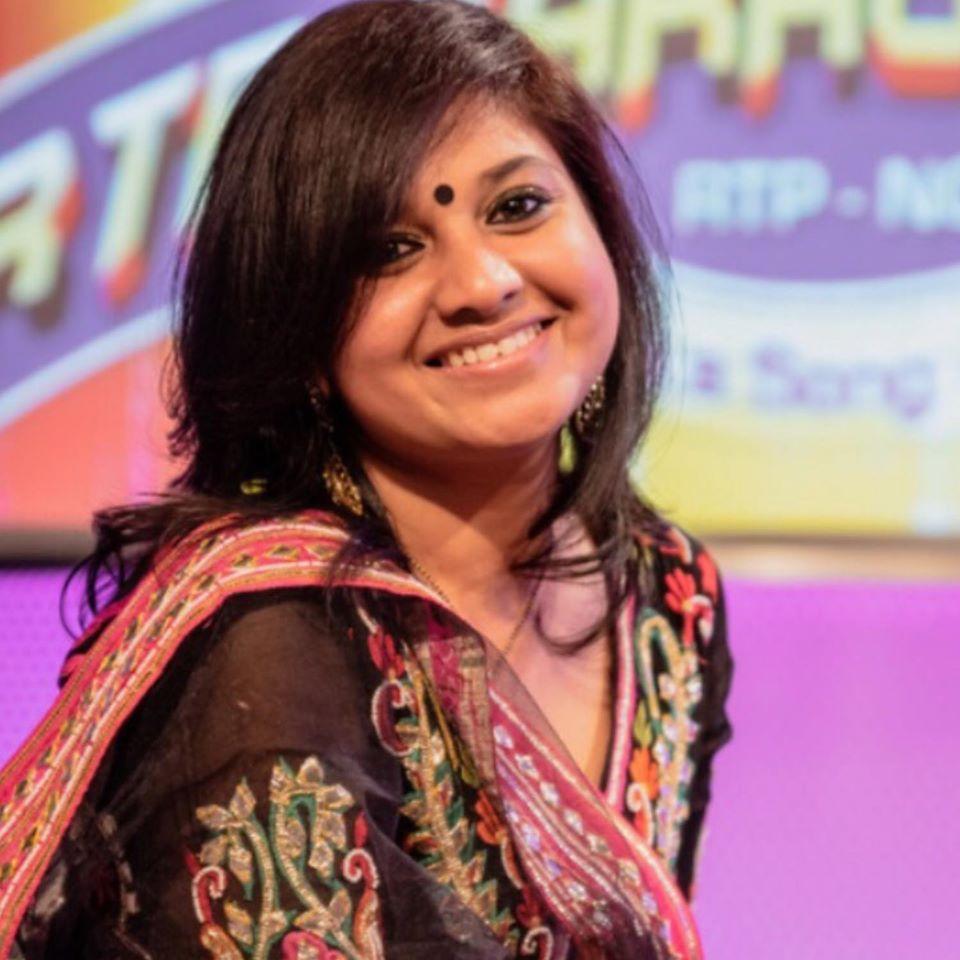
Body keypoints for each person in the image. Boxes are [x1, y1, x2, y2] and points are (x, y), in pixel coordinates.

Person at [0, 1, 733, 957]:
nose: (483, 284)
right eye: (389, 250)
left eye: (517, 207)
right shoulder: (266, 652)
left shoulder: (665, 599)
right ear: (299, 335)